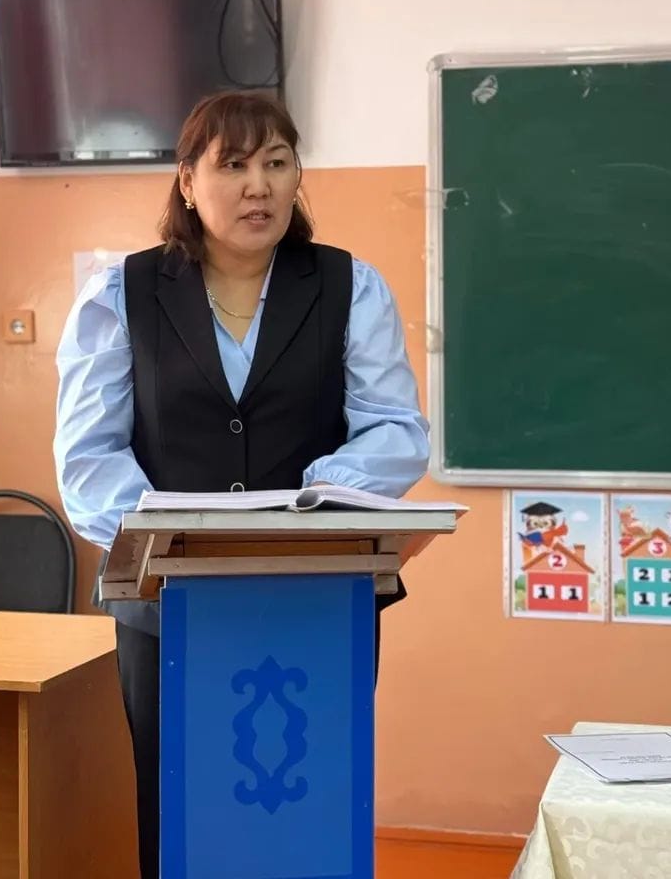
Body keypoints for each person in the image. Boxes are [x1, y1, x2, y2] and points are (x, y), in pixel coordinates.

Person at [53, 90, 429, 879]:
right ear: (188, 182)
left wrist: (315, 499)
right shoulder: (120, 294)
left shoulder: (350, 287)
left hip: (319, 597)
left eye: (277, 163)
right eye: (233, 165)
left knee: (313, 813)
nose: (259, 186)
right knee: (180, 817)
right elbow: (89, 456)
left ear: (298, 177)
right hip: (166, 608)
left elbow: (396, 430)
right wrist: (174, 533)